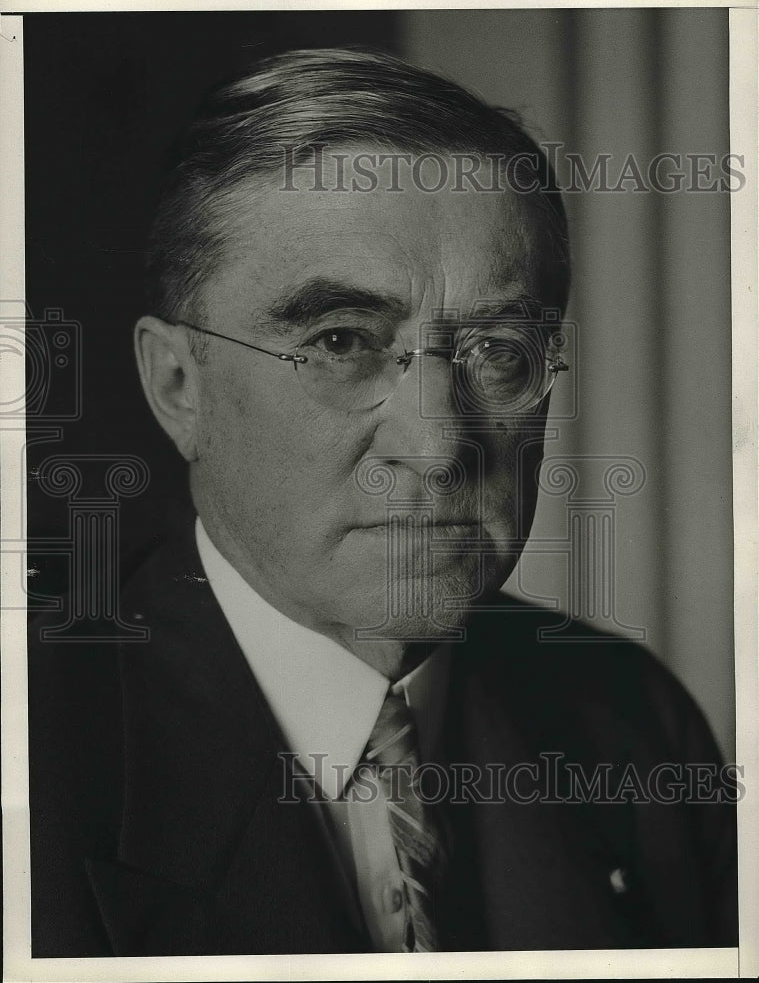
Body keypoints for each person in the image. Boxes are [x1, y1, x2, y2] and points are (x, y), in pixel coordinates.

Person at [28, 47, 738, 956]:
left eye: (499, 350)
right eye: (340, 341)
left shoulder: (631, 724)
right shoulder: (40, 746)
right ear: (178, 384)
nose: (440, 445)